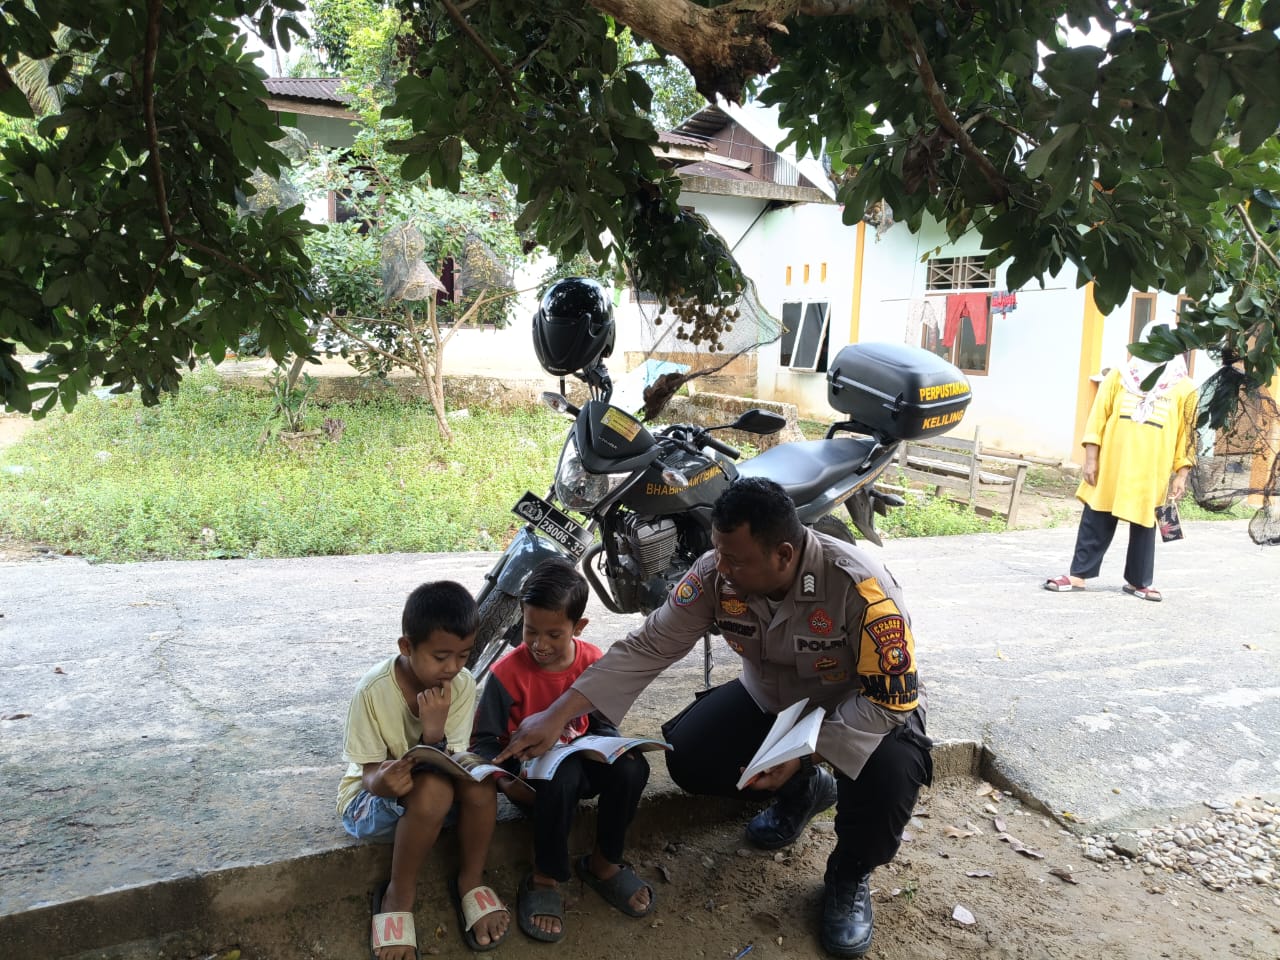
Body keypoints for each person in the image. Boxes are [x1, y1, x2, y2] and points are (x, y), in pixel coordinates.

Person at [496, 478, 933, 959]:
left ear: (784, 555)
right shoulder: (714, 574)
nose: (721, 570)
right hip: (770, 702)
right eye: (717, 553)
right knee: (691, 757)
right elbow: (647, 646)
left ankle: (849, 874)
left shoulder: (860, 588)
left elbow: (890, 699)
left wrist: (808, 752)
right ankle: (803, 792)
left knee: (892, 774)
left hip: (856, 708)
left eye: (737, 560)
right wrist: (557, 716)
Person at [472, 558, 653, 943]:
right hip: (530, 781)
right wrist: (504, 783)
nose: (539, 644)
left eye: (554, 634)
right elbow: (485, 741)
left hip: (582, 764)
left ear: (579, 627)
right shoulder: (507, 674)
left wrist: (613, 745)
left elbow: (602, 721)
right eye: (529, 630)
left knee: (633, 768)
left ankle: (604, 862)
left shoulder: (592, 662)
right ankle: (544, 877)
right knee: (562, 773)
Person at [338, 581, 510, 958]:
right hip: (369, 804)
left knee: (482, 786)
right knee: (433, 791)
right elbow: (366, 774)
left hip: (432, 803)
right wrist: (382, 781)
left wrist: (434, 735)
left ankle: (471, 879)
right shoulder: (372, 691)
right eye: (441, 656)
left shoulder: (460, 685)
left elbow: (455, 760)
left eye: (464, 656)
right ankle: (399, 895)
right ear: (406, 647)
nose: (452, 668)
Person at [1044, 322, 1198, 601]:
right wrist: (1091, 458)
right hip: (1112, 464)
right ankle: (1078, 576)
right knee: (1096, 516)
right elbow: (1098, 417)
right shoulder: (1119, 376)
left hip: (1152, 468)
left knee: (1145, 524)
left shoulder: (1185, 387)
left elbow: (1186, 435)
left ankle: (1139, 582)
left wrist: (1181, 474)